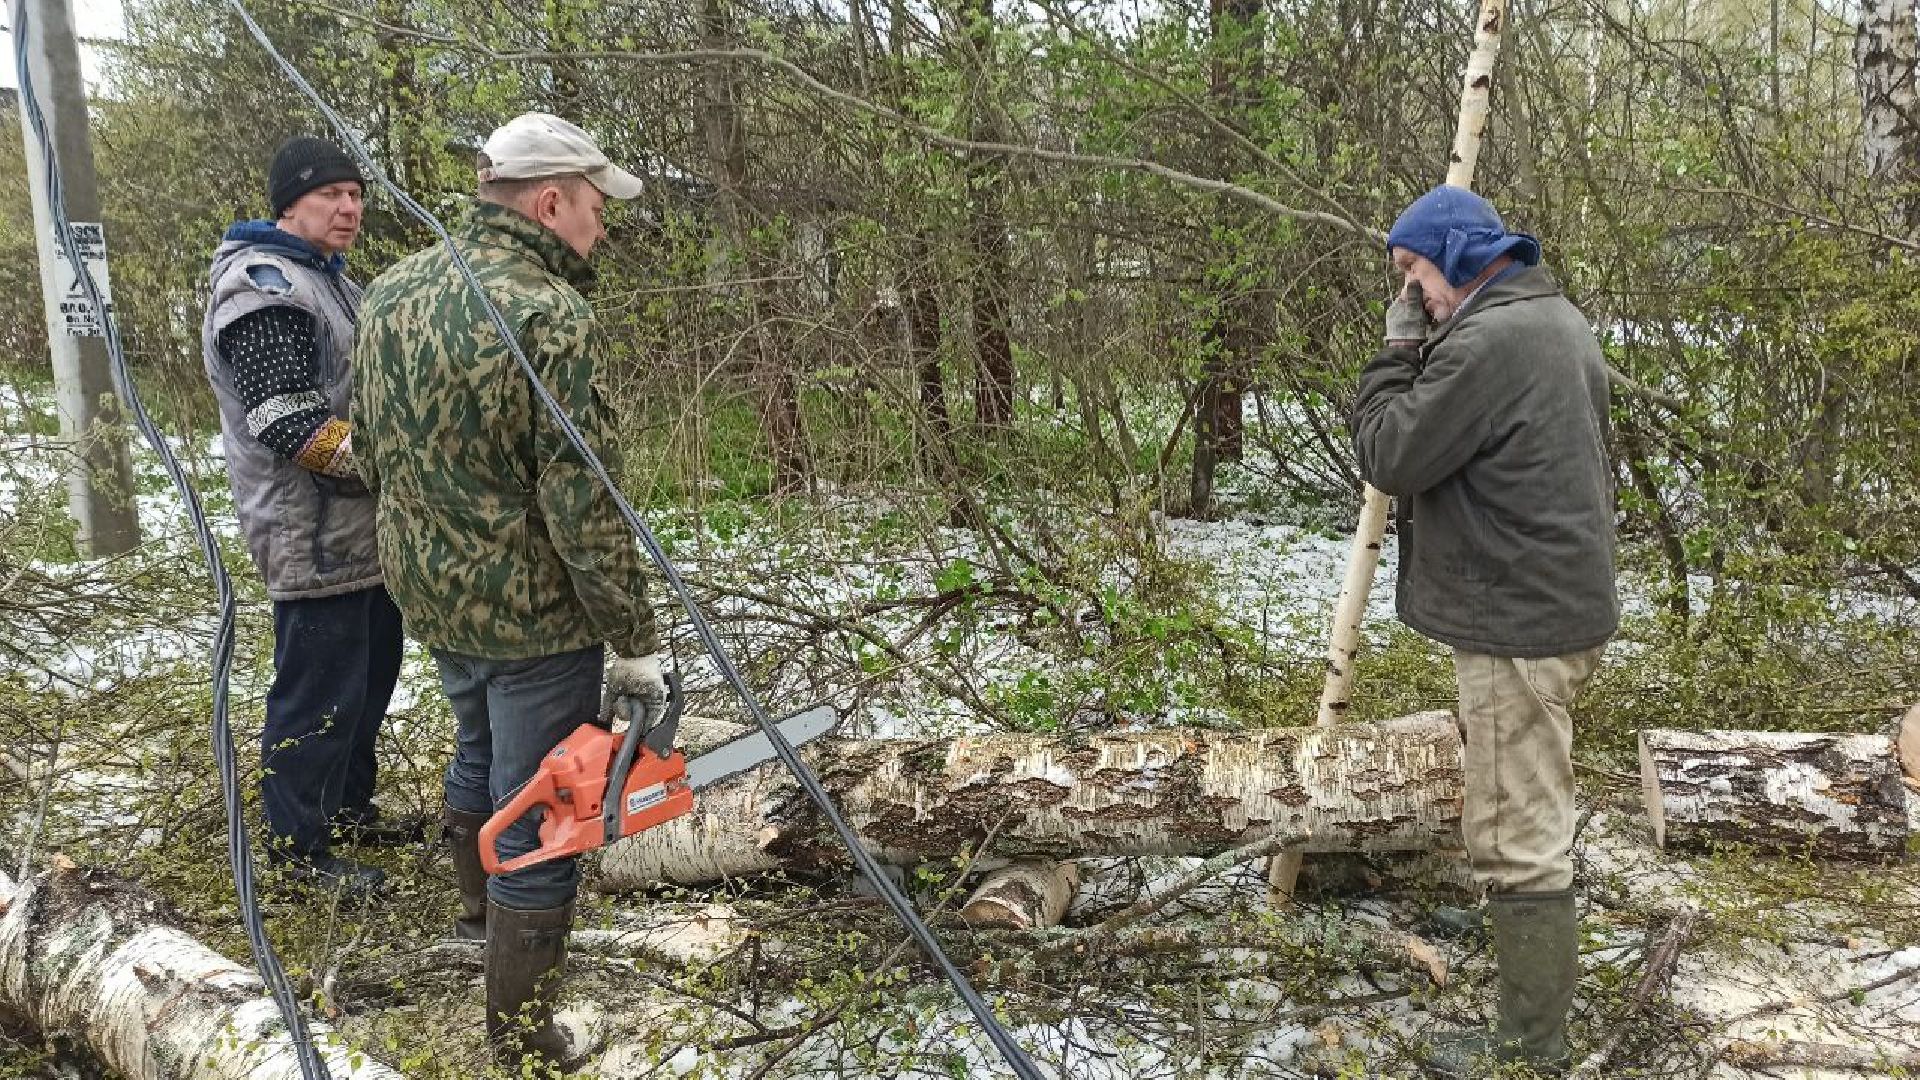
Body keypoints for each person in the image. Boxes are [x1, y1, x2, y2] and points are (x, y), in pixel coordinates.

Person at [350, 112, 664, 1068]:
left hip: (430, 589)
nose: (601, 228)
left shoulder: (392, 291)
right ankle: (521, 1036)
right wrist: (633, 635)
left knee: (480, 744)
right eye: (597, 207)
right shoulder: (548, 314)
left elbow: (368, 450)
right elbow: (582, 498)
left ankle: (475, 927)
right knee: (540, 804)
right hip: (531, 608)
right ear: (552, 198)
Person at [1348, 184, 1619, 1077]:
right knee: (1521, 804)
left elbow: (1393, 453)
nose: (1412, 292)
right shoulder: (1551, 320)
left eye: (1414, 271)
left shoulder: (1494, 341)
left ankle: (1530, 1052)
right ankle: (1520, 957)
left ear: (1458, 257)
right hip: (1545, 607)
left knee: (1520, 832)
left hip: (1521, 622)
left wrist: (1396, 352)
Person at [201, 136, 411, 901]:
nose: (349, 209)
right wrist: (404, 466)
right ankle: (298, 850)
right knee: (316, 696)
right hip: (310, 531)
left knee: (367, 682)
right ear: (289, 203)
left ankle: (348, 814)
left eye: (356, 194)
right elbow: (288, 422)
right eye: (331, 195)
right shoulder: (265, 289)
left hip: (362, 531)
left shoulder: (329, 282)